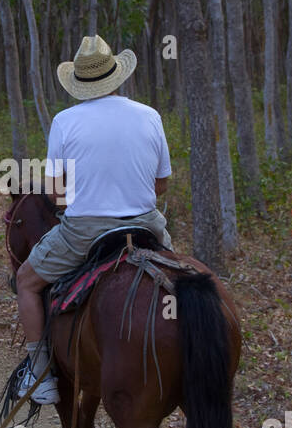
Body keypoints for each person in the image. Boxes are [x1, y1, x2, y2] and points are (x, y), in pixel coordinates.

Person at [13, 35, 173, 405]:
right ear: (117, 75)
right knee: (182, 278)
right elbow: (161, 183)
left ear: (79, 82)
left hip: (87, 231)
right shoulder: (150, 115)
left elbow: (55, 194)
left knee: (26, 281)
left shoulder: (65, 120)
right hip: (147, 226)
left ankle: (40, 374)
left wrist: (89, 193)